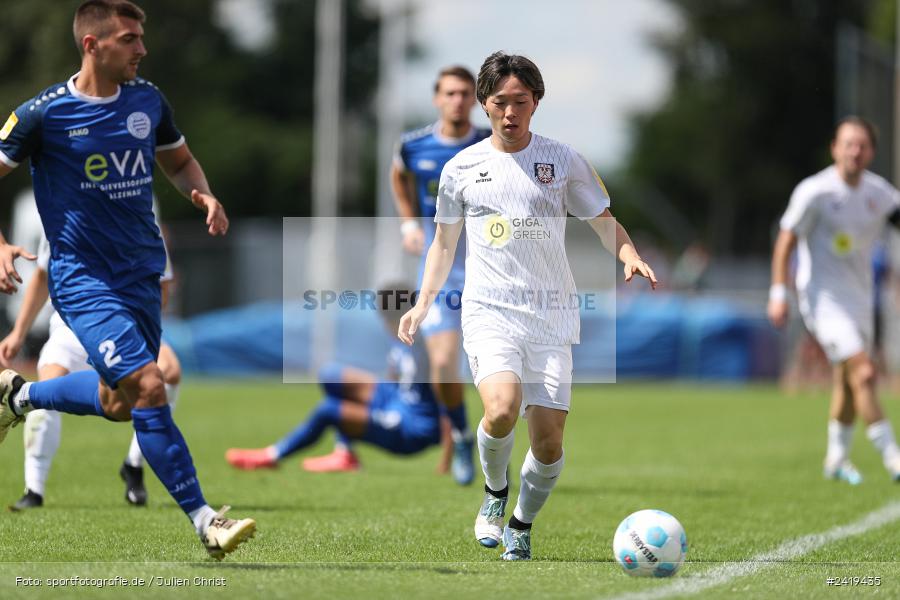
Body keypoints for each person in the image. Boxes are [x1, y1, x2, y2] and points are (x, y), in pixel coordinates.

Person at [0, 0, 254, 558]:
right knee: (150, 385)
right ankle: (206, 520)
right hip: (83, 279)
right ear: (92, 45)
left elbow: (179, 161)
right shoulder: (43, 114)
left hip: (142, 274)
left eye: (141, 37)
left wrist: (200, 190)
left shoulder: (147, 100)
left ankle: (19, 398)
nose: (142, 48)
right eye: (129, 38)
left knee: (118, 403)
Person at [398, 51, 657, 561]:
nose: (510, 113)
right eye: (500, 103)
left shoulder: (563, 160)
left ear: (536, 101)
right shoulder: (462, 169)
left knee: (549, 444)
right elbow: (444, 245)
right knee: (500, 410)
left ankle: (522, 522)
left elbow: (604, 221)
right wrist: (422, 304)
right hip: (489, 310)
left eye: (520, 101)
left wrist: (628, 254)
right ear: (484, 105)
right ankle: (494, 496)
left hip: (551, 316)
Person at [0, 229, 182, 510]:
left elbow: (162, 287)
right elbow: (42, 275)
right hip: (70, 327)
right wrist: (18, 333)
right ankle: (33, 490)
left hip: (123, 330)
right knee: (48, 388)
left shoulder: (143, 223)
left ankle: (134, 464)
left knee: (167, 372)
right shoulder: (64, 217)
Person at [768, 116, 900, 485]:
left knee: (847, 379)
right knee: (865, 372)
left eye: (862, 145)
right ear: (835, 148)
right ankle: (894, 458)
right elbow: (786, 239)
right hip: (822, 299)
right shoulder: (815, 192)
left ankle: (836, 459)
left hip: (860, 299)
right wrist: (779, 293)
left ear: (871, 152)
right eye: (848, 144)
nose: (854, 151)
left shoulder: (879, 193)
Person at [390, 66, 491, 485]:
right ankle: (464, 434)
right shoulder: (415, 146)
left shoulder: (491, 143)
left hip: (492, 272)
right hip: (442, 274)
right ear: (437, 98)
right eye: (451, 93)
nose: (458, 100)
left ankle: (492, 446)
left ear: (475, 99)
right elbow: (399, 175)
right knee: (444, 363)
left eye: (466, 93)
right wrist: (409, 223)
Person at [225, 285, 442, 470]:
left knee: (329, 410)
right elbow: (399, 378)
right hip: (396, 400)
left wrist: (452, 454)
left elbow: (446, 396)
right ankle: (344, 453)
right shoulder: (400, 337)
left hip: (411, 427)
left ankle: (271, 456)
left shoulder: (427, 348)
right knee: (331, 374)